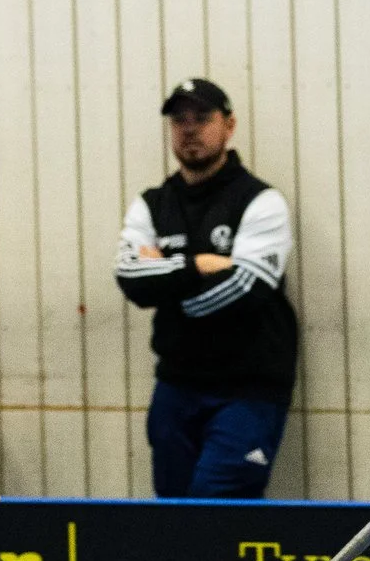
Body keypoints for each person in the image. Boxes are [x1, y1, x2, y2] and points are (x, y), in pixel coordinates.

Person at [115, 78, 299, 498]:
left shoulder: (260, 201)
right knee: (173, 520)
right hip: (176, 388)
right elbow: (130, 279)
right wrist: (198, 264)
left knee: (217, 514)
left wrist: (167, 281)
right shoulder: (152, 203)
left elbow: (247, 287)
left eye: (202, 118)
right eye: (179, 120)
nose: (189, 129)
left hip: (248, 390)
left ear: (229, 125)